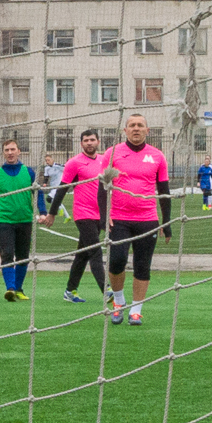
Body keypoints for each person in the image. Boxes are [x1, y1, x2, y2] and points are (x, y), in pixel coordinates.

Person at [98, 112, 169, 326]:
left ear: (148, 131)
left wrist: (167, 222)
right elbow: (102, 188)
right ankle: (119, 302)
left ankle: (136, 310)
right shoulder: (112, 154)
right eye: (132, 125)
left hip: (148, 219)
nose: (136, 128)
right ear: (125, 130)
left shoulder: (157, 156)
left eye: (140, 125)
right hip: (119, 218)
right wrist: (104, 216)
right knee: (117, 260)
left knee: (142, 265)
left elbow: (164, 191)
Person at [44, 127, 108, 303]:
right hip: (83, 213)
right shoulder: (74, 163)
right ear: (81, 143)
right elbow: (62, 189)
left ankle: (70, 291)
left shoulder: (104, 161)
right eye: (86, 140)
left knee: (83, 254)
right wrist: (52, 213)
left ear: (98, 142)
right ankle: (107, 290)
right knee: (95, 251)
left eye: (92, 140)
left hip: (99, 214)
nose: (89, 143)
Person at [0, 138, 38, 303]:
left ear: (19, 151)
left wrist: (43, 211)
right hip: (5, 221)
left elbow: (38, 193)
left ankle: (18, 289)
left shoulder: (29, 172)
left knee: (23, 256)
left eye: (13, 149)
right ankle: (10, 288)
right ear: (3, 153)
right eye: (7, 150)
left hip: (25, 220)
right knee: (7, 254)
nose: (10, 153)